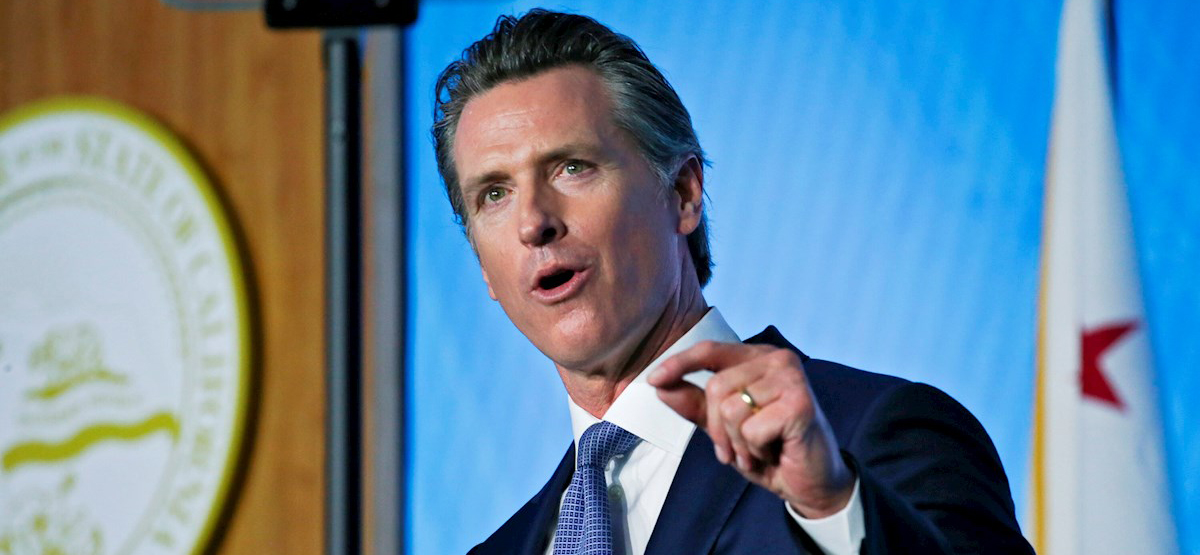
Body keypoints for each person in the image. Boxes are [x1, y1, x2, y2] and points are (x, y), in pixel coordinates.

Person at [432, 9, 1033, 554]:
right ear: (483, 265)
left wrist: (833, 509)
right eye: (495, 194)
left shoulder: (866, 440)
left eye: (572, 167)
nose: (533, 222)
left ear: (683, 193)